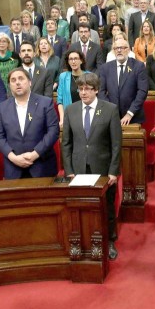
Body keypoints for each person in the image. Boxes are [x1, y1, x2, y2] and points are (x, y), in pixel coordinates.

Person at [62, 72, 122, 260]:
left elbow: (116, 144)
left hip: (103, 168)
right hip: (78, 168)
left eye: (87, 89)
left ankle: (109, 240)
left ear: (96, 90)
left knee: (107, 207)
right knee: (82, 207)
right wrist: (69, 170)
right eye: (80, 89)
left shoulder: (110, 109)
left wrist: (113, 171)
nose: (83, 93)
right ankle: (85, 240)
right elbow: (66, 144)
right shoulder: (70, 110)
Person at [0, 67, 59, 179]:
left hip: (42, 167)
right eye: (13, 80)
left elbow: (53, 131)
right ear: (9, 85)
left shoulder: (45, 103)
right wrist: (13, 158)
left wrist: (34, 154)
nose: (17, 82)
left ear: (30, 82)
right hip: (14, 168)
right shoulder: (1, 108)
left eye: (21, 79)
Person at [98, 38, 148, 125]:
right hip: (110, 117)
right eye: (116, 48)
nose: (119, 50)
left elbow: (142, 91)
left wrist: (130, 113)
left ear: (128, 50)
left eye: (122, 48)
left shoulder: (138, 66)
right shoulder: (105, 68)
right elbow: (101, 92)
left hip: (133, 117)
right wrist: (110, 111)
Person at [57, 50, 88, 128]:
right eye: (71, 59)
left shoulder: (89, 76)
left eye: (76, 58)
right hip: (69, 116)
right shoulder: (63, 76)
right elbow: (60, 101)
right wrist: (62, 119)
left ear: (81, 60)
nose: (73, 61)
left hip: (86, 115)